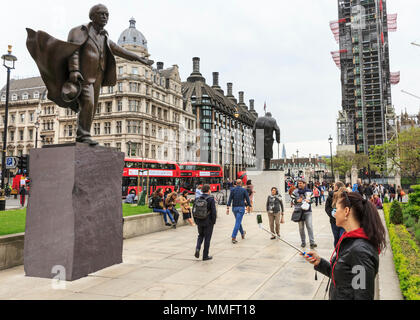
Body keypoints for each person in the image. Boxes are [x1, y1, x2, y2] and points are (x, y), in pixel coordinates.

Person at [302, 191, 386, 300]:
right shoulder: (350, 241)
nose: (334, 213)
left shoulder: (359, 252)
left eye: (336, 209)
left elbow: (362, 295)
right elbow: (344, 277)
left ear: (346, 211)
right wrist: (320, 263)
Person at [291, 179, 317, 249]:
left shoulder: (309, 191)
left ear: (304, 184)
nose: (299, 184)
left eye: (301, 183)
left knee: (309, 226)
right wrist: (296, 200)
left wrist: (309, 201)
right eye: (298, 183)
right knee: (301, 228)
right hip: (299, 212)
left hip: (308, 211)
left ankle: (312, 242)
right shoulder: (295, 192)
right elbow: (292, 200)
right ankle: (303, 242)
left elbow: (313, 199)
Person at [194, 184, 217, 261]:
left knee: (200, 235)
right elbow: (214, 212)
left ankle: (197, 248)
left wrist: (195, 220)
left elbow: (193, 210)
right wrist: (213, 221)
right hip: (208, 222)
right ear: (209, 190)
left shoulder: (197, 198)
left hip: (199, 220)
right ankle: (205, 256)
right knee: (207, 238)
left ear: (202, 190)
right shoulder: (210, 199)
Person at [226, 179, 251, 244]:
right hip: (241, 208)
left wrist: (228, 207)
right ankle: (233, 237)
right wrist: (249, 206)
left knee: (238, 221)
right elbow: (247, 198)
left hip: (234, 208)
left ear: (236, 183)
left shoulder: (233, 190)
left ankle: (242, 233)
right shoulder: (243, 190)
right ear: (241, 183)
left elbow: (230, 199)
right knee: (237, 222)